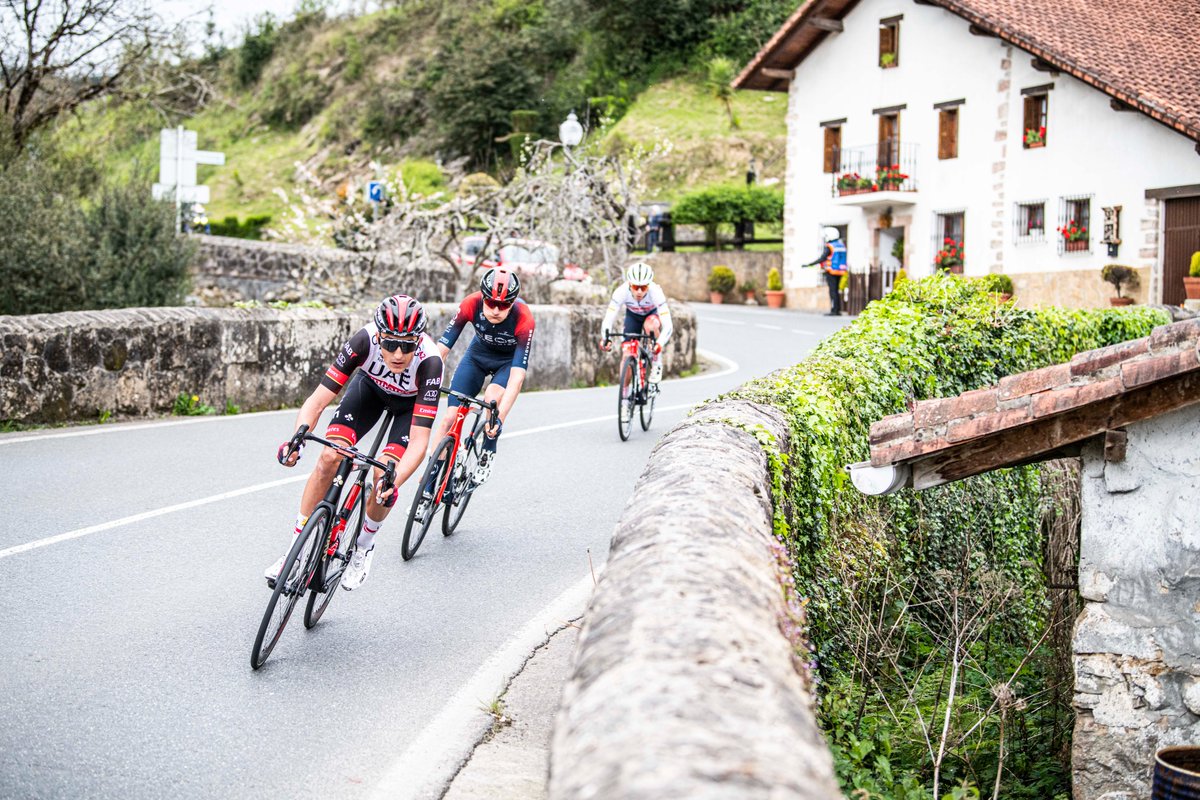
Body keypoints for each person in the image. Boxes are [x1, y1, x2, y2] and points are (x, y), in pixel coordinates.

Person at [267, 295, 443, 591]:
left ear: (418, 341)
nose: (398, 354)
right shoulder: (363, 340)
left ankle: (364, 545)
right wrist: (297, 438)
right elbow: (318, 399)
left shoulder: (430, 361)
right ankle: (294, 552)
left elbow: (420, 441)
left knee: (381, 477)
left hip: (407, 407)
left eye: (408, 345)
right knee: (328, 459)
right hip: (369, 391)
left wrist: (394, 481)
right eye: (390, 344)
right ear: (378, 337)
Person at [433, 268, 535, 485]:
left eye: (504, 304)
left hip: (507, 364)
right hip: (477, 357)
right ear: (482, 296)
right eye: (491, 302)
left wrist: (500, 419)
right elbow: (442, 349)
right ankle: (429, 484)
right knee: (448, 419)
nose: (496, 310)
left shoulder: (524, 318)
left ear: (513, 302)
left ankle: (489, 448)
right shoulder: (470, 303)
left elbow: (517, 378)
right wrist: (425, 381)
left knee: (491, 397)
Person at [599, 261, 673, 384]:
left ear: (649, 285)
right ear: (629, 284)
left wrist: (659, 344)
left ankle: (656, 364)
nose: (639, 291)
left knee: (650, 325)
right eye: (635, 287)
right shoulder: (621, 291)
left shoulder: (656, 292)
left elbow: (668, 325)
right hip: (633, 316)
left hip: (651, 315)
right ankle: (625, 399)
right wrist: (605, 338)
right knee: (626, 354)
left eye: (643, 287)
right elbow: (609, 317)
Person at [803, 227, 847, 315]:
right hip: (840, 271)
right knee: (836, 291)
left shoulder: (830, 246)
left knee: (833, 291)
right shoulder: (841, 245)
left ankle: (834, 310)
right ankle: (837, 310)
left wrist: (809, 264)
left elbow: (822, 258)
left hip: (831, 271)